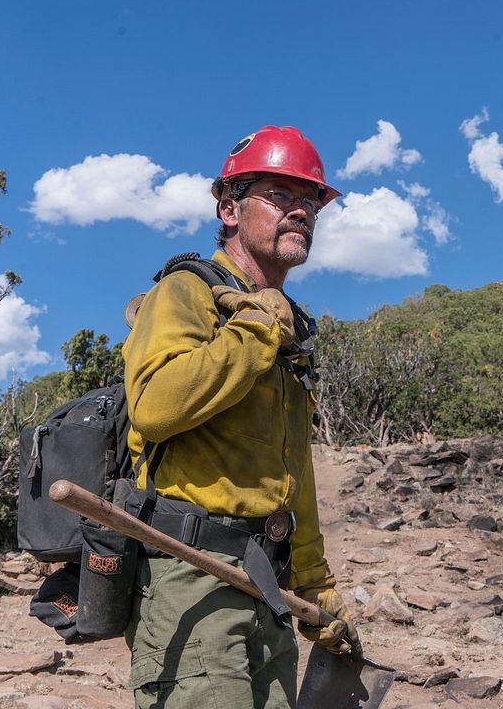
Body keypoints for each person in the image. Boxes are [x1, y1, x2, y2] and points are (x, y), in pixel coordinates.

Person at [122, 125, 358, 708]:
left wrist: (316, 583)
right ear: (229, 208)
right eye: (280, 195)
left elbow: (292, 469)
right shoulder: (187, 291)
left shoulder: (291, 328)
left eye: (310, 201)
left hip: (269, 586)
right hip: (193, 577)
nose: (301, 210)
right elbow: (153, 406)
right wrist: (256, 330)